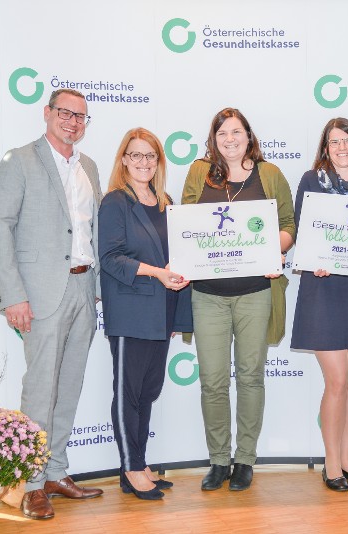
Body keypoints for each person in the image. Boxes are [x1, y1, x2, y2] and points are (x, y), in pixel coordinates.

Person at [0, 88, 103, 519]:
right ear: (47, 113)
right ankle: (32, 484)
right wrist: (12, 296)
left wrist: (96, 290)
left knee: (69, 385)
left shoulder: (88, 166)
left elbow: (88, 230)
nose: (73, 122)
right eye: (66, 113)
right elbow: (0, 229)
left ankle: (56, 471)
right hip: (38, 294)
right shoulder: (19, 161)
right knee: (40, 389)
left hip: (82, 288)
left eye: (81, 117)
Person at [181, 108, 296, 492]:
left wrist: (273, 253)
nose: (229, 139)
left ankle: (245, 459)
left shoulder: (270, 174)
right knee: (212, 382)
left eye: (236, 131)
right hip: (208, 295)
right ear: (213, 139)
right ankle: (218, 460)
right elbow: (184, 225)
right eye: (222, 133)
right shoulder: (199, 172)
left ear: (249, 136)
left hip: (255, 292)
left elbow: (288, 225)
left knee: (250, 378)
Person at [290, 118, 348, 491]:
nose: (342, 147)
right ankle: (331, 463)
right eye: (334, 142)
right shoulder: (312, 181)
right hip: (324, 289)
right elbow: (303, 230)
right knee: (337, 380)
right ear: (325, 148)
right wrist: (315, 257)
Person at [98, 128, 192, 500]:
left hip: (162, 310)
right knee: (128, 394)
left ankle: (138, 462)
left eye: (150, 156)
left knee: (148, 391)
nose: (143, 162)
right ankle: (131, 467)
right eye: (135, 155)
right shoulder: (115, 202)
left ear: (159, 162)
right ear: (124, 160)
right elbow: (110, 258)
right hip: (131, 309)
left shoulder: (165, 201)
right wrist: (157, 274)